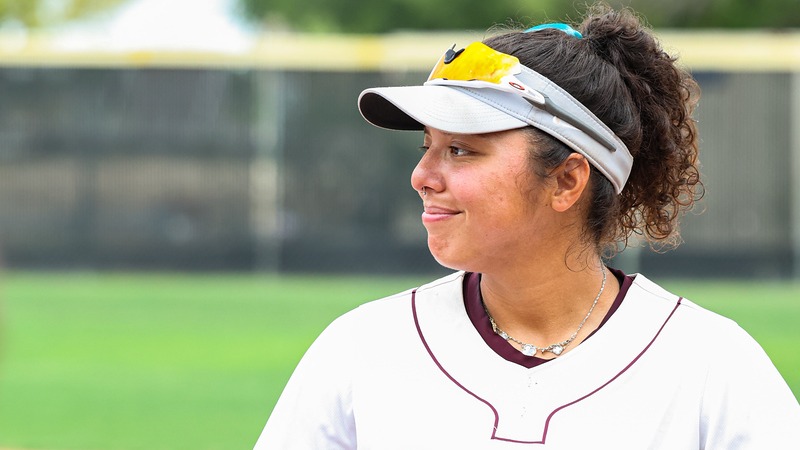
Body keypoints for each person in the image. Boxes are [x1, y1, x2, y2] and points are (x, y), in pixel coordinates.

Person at [254, 4, 800, 449]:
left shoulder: (710, 365)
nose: (422, 176)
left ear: (567, 180)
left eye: (461, 150)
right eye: (429, 148)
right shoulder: (361, 348)